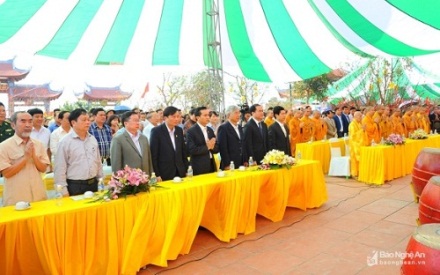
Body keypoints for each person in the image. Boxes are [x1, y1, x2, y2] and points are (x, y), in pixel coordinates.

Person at [0, 111, 49, 206]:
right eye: (23, 121)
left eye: (30, 121)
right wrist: (26, 158)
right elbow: (7, 173)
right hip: (16, 201)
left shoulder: (38, 144)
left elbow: (43, 169)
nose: (28, 125)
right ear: (13, 125)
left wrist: (34, 156)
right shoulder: (3, 146)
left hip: (39, 198)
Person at [54, 108, 103, 196]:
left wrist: (101, 180)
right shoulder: (65, 142)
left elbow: (98, 162)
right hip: (75, 186)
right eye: (84, 120)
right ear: (73, 123)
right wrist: (63, 191)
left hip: (94, 184)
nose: (88, 122)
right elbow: (60, 169)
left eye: (88, 120)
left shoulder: (92, 139)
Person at [149, 106, 188, 181]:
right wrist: (157, 174)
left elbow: (183, 152)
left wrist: (186, 169)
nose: (176, 119)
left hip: (180, 171)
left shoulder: (179, 130)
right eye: (173, 117)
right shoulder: (156, 131)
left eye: (178, 116)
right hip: (165, 172)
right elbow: (154, 155)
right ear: (165, 118)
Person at [186, 107, 219, 175]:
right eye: (205, 115)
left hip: (211, 164)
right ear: (197, 117)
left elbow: (217, 148)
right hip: (199, 166)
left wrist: (212, 147)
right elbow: (192, 150)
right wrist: (207, 147)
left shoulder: (210, 130)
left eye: (208, 115)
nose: (208, 117)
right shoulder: (191, 131)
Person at [217, 105, 248, 170]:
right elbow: (223, 148)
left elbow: (243, 144)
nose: (238, 115)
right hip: (230, 164)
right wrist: (227, 164)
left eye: (239, 113)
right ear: (228, 115)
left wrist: (245, 159)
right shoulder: (223, 128)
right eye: (236, 113)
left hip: (241, 163)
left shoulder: (239, 127)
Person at [348, 111, 365, 178]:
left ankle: (360, 171)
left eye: (361, 116)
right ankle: (354, 173)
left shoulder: (359, 123)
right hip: (354, 144)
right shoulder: (352, 125)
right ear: (355, 116)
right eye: (360, 116)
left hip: (360, 144)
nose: (361, 118)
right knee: (354, 159)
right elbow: (353, 136)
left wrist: (363, 130)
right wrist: (362, 130)